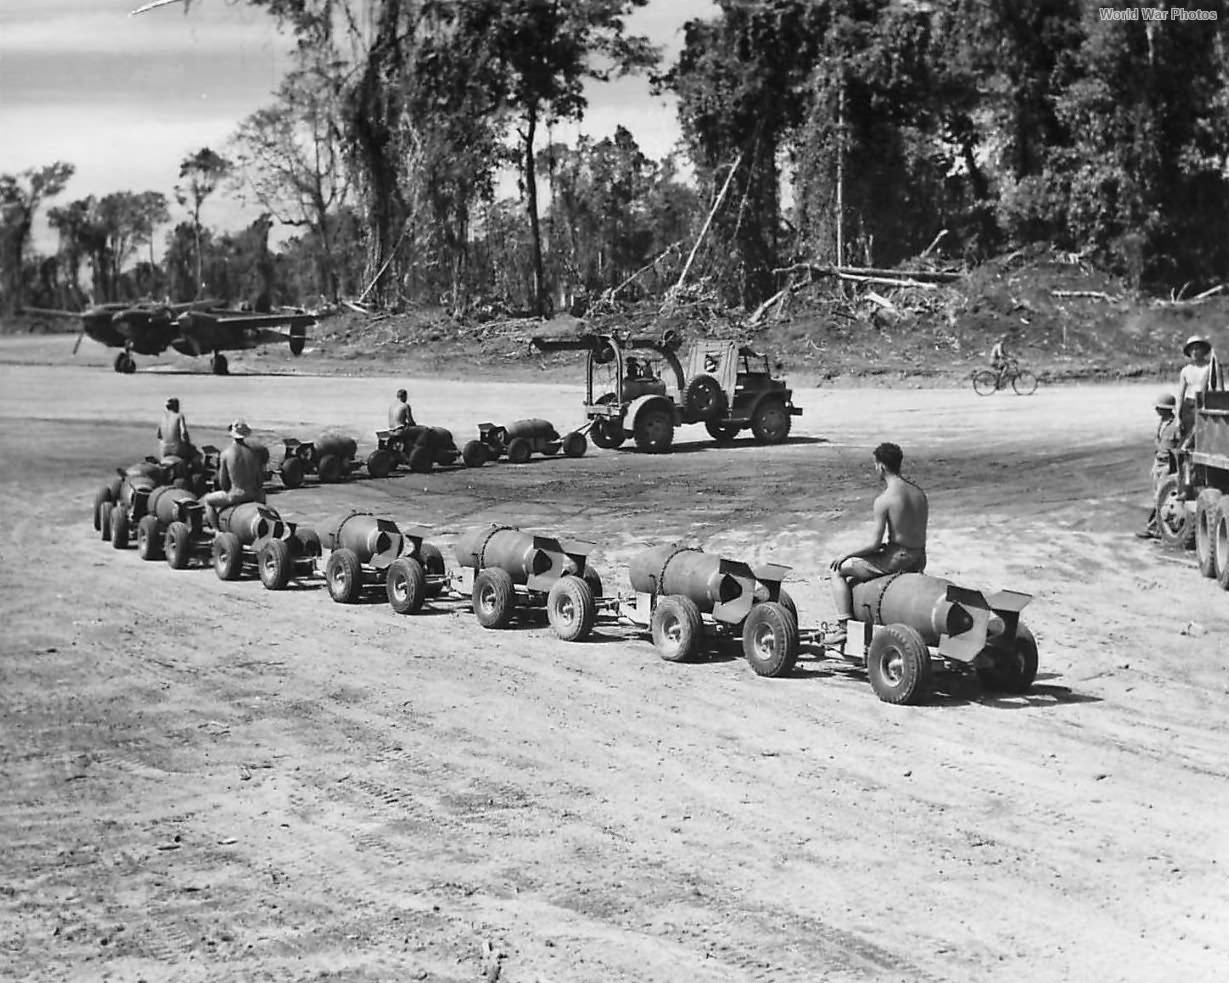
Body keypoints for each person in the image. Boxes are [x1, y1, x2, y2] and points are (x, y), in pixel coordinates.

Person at [823, 442, 929, 647]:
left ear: (881, 466)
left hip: (896, 559)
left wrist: (845, 554)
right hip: (919, 557)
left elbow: (873, 544)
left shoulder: (885, 499)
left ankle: (843, 626)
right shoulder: (919, 493)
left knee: (837, 571)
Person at [201, 419, 265, 529]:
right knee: (262, 495)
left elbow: (223, 484)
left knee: (207, 500)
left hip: (236, 496)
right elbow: (260, 481)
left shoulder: (226, 453)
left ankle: (217, 531)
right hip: (254, 494)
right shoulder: (254, 453)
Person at [1136, 393, 1181, 539]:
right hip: (1159, 463)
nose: (1156, 409)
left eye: (1159, 407)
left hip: (1168, 465)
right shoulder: (1163, 423)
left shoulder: (1175, 425)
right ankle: (1156, 528)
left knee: (1160, 497)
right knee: (1157, 496)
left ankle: (1155, 529)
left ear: (1167, 409)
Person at [1175, 335, 1223, 438]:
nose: (1194, 352)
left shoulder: (1212, 367)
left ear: (1203, 350)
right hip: (1189, 407)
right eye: (1191, 349)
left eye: (1197, 348)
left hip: (1206, 405)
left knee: (1205, 437)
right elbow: (1180, 396)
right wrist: (1177, 418)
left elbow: (1220, 390)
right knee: (1187, 438)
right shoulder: (1185, 370)